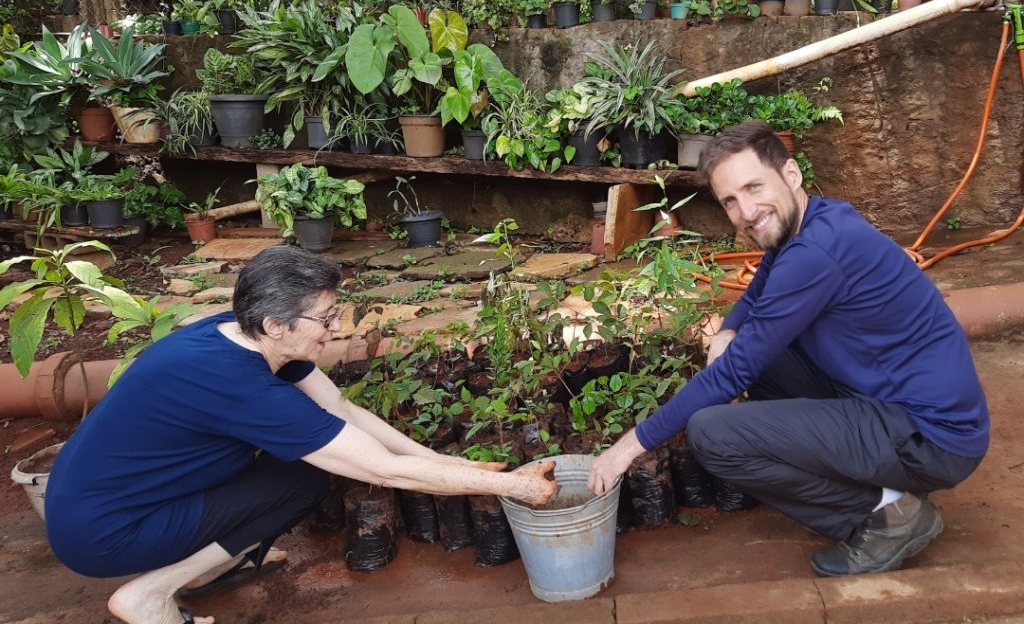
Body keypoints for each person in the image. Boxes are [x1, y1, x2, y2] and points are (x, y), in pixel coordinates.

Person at [46, 245, 557, 624]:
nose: (338, 328)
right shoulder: (244, 388)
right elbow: (383, 469)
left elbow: (339, 407)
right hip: (106, 533)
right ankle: (151, 594)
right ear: (275, 324)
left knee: (295, 466)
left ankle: (204, 566)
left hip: (99, 497)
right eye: (327, 319)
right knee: (304, 481)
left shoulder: (232, 330)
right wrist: (513, 485)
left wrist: (462, 467)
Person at [588, 120, 989, 577]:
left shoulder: (815, 253)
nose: (746, 211)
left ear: (791, 175)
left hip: (932, 436)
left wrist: (626, 448)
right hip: (894, 405)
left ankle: (889, 513)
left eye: (754, 187)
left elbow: (731, 375)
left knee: (714, 434)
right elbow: (761, 286)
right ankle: (876, 477)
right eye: (730, 201)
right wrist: (727, 330)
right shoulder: (817, 217)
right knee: (762, 358)